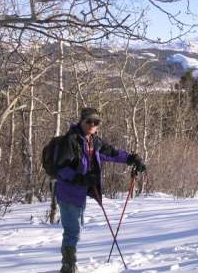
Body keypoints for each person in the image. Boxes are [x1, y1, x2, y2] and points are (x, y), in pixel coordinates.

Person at [55, 107, 146, 273]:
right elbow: (62, 169)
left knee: (75, 230)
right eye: (88, 121)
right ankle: (67, 267)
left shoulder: (94, 141)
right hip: (68, 193)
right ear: (81, 121)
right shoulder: (70, 141)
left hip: (80, 194)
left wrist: (132, 158)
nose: (92, 124)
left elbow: (112, 153)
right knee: (72, 231)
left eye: (95, 122)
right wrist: (82, 179)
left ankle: (70, 263)